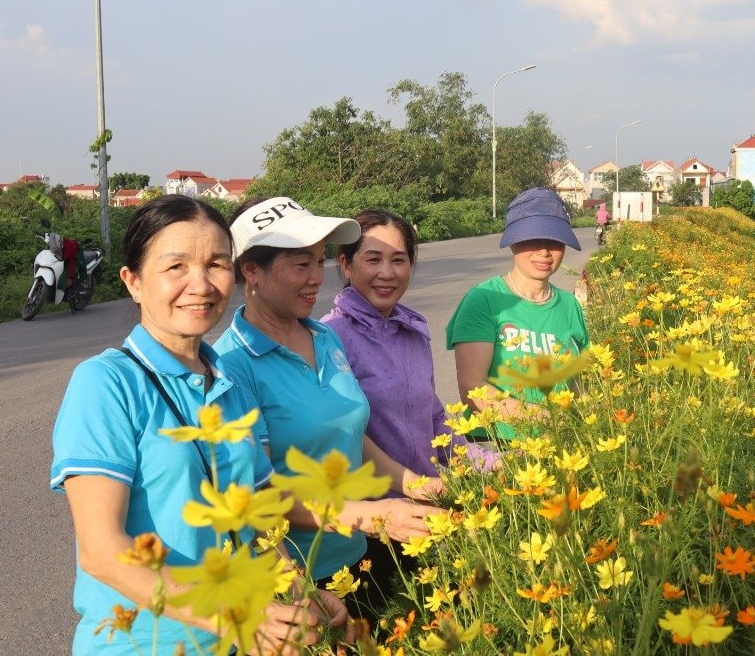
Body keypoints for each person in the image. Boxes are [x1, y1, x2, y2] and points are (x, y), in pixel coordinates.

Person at [50, 195, 335, 654]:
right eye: (176, 267)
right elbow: (102, 551)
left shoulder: (230, 382)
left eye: (216, 264)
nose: (201, 285)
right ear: (134, 281)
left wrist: (299, 591)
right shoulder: (105, 384)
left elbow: (258, 515)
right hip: (150, 641)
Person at [213, 197, 440, 606]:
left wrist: (421, 486)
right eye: (302, 265)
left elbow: (352, 436)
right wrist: (373, 515)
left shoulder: (323, 337)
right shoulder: (232, 366)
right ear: (251, 270)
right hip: (298, 576)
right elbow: (260, 494)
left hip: (358, 556)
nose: (317, 278)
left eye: (319, 262)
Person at [321, 210, 498, 609]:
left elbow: (434, 417)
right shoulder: (329, 337)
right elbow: (344, 435)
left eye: (398, 260)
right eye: (373, 259)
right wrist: (413, 488)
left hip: (431, 510)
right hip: (375, 525)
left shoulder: (413, 328)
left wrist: (484, 463)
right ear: (346, 264)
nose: (387, 272)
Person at [447, 187, 590, 441]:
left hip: (558, 443)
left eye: (555, 241)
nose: (544, 252)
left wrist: (590, 424)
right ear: (513, 242)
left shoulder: (570, 305)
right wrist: (545, 419)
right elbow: (473, 388)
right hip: (496, 445)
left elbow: (577, 385)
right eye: (533, 240)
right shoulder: (484, 299)